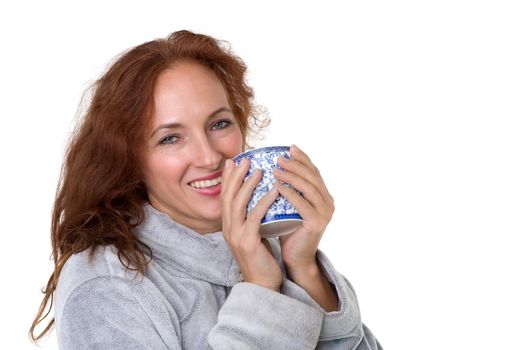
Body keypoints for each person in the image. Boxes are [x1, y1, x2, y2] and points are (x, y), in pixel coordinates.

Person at [29, 30, 383, 349]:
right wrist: (261, 286)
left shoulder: (269, 242)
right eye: (170, 138)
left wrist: (303, 266)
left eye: (219, 124)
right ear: (130, 161)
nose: (209, 156)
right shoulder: (104, 284)